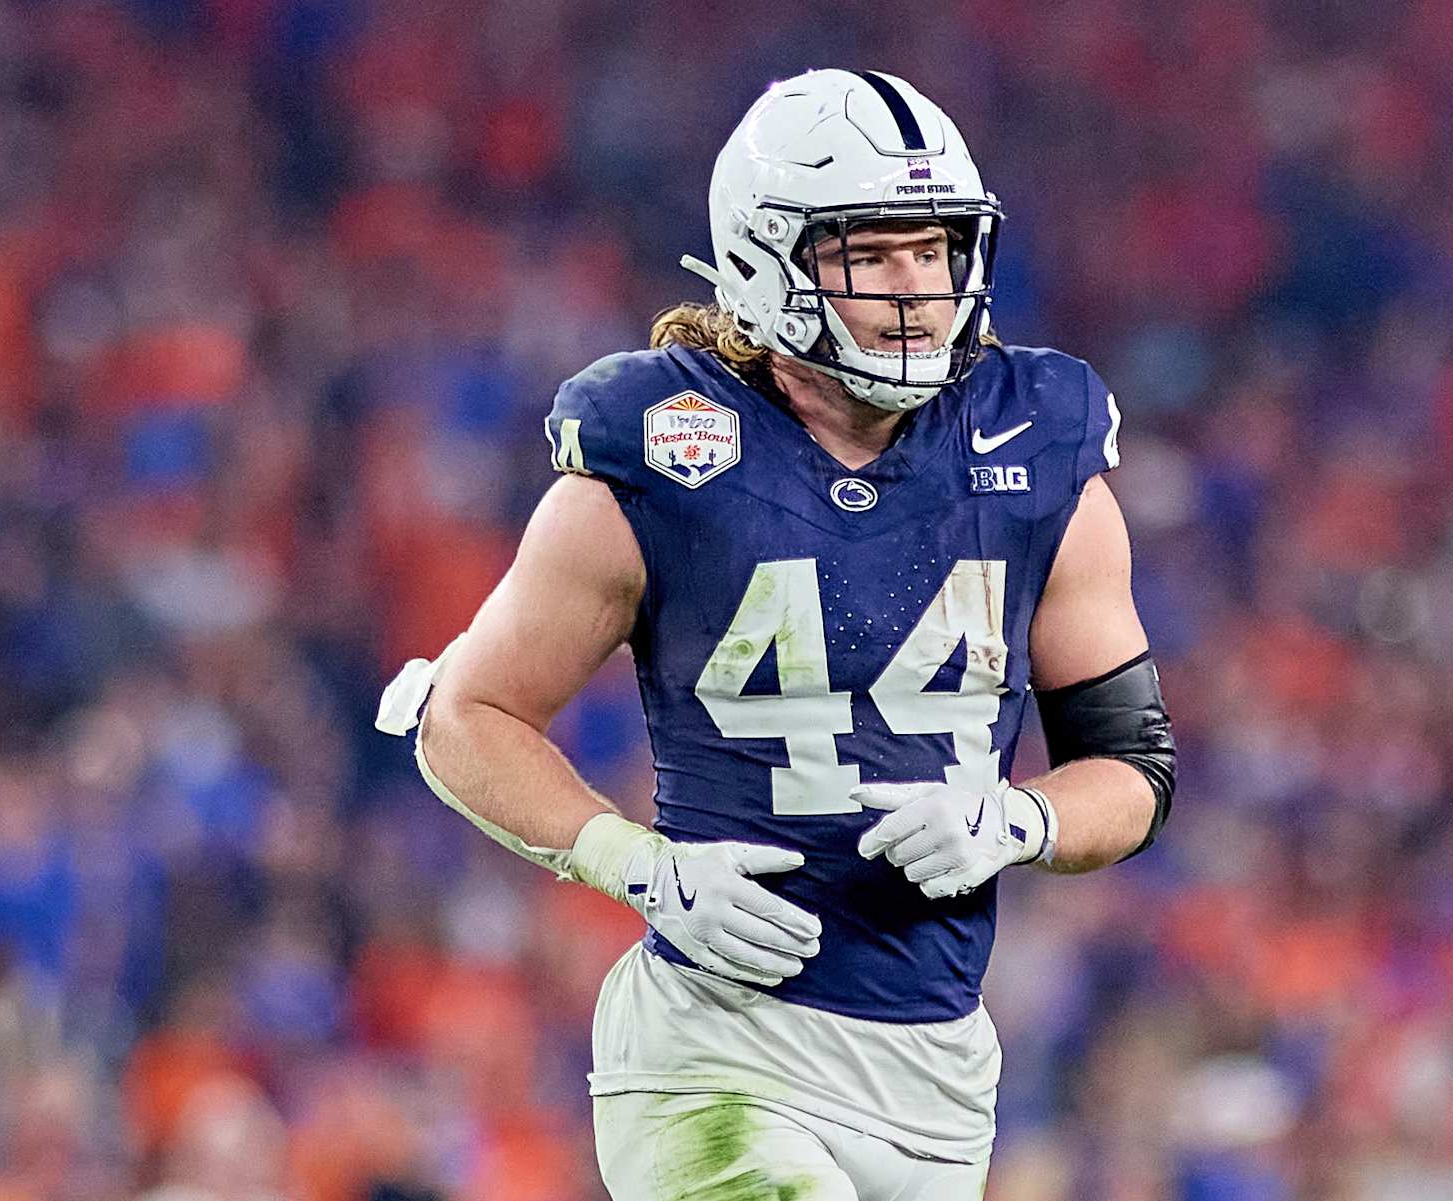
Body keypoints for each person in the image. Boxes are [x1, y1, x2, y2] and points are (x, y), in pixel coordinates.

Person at [375, 68, 1175, 1200]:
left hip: (937, 1074)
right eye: (873, 255)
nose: (919, 290)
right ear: (767, 261)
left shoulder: (1036, 450)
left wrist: (1023, 815)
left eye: (937, 251)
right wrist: (638, 867)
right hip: (718, 1047)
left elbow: (1134, 769)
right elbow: (465, 713)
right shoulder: (666, 445)